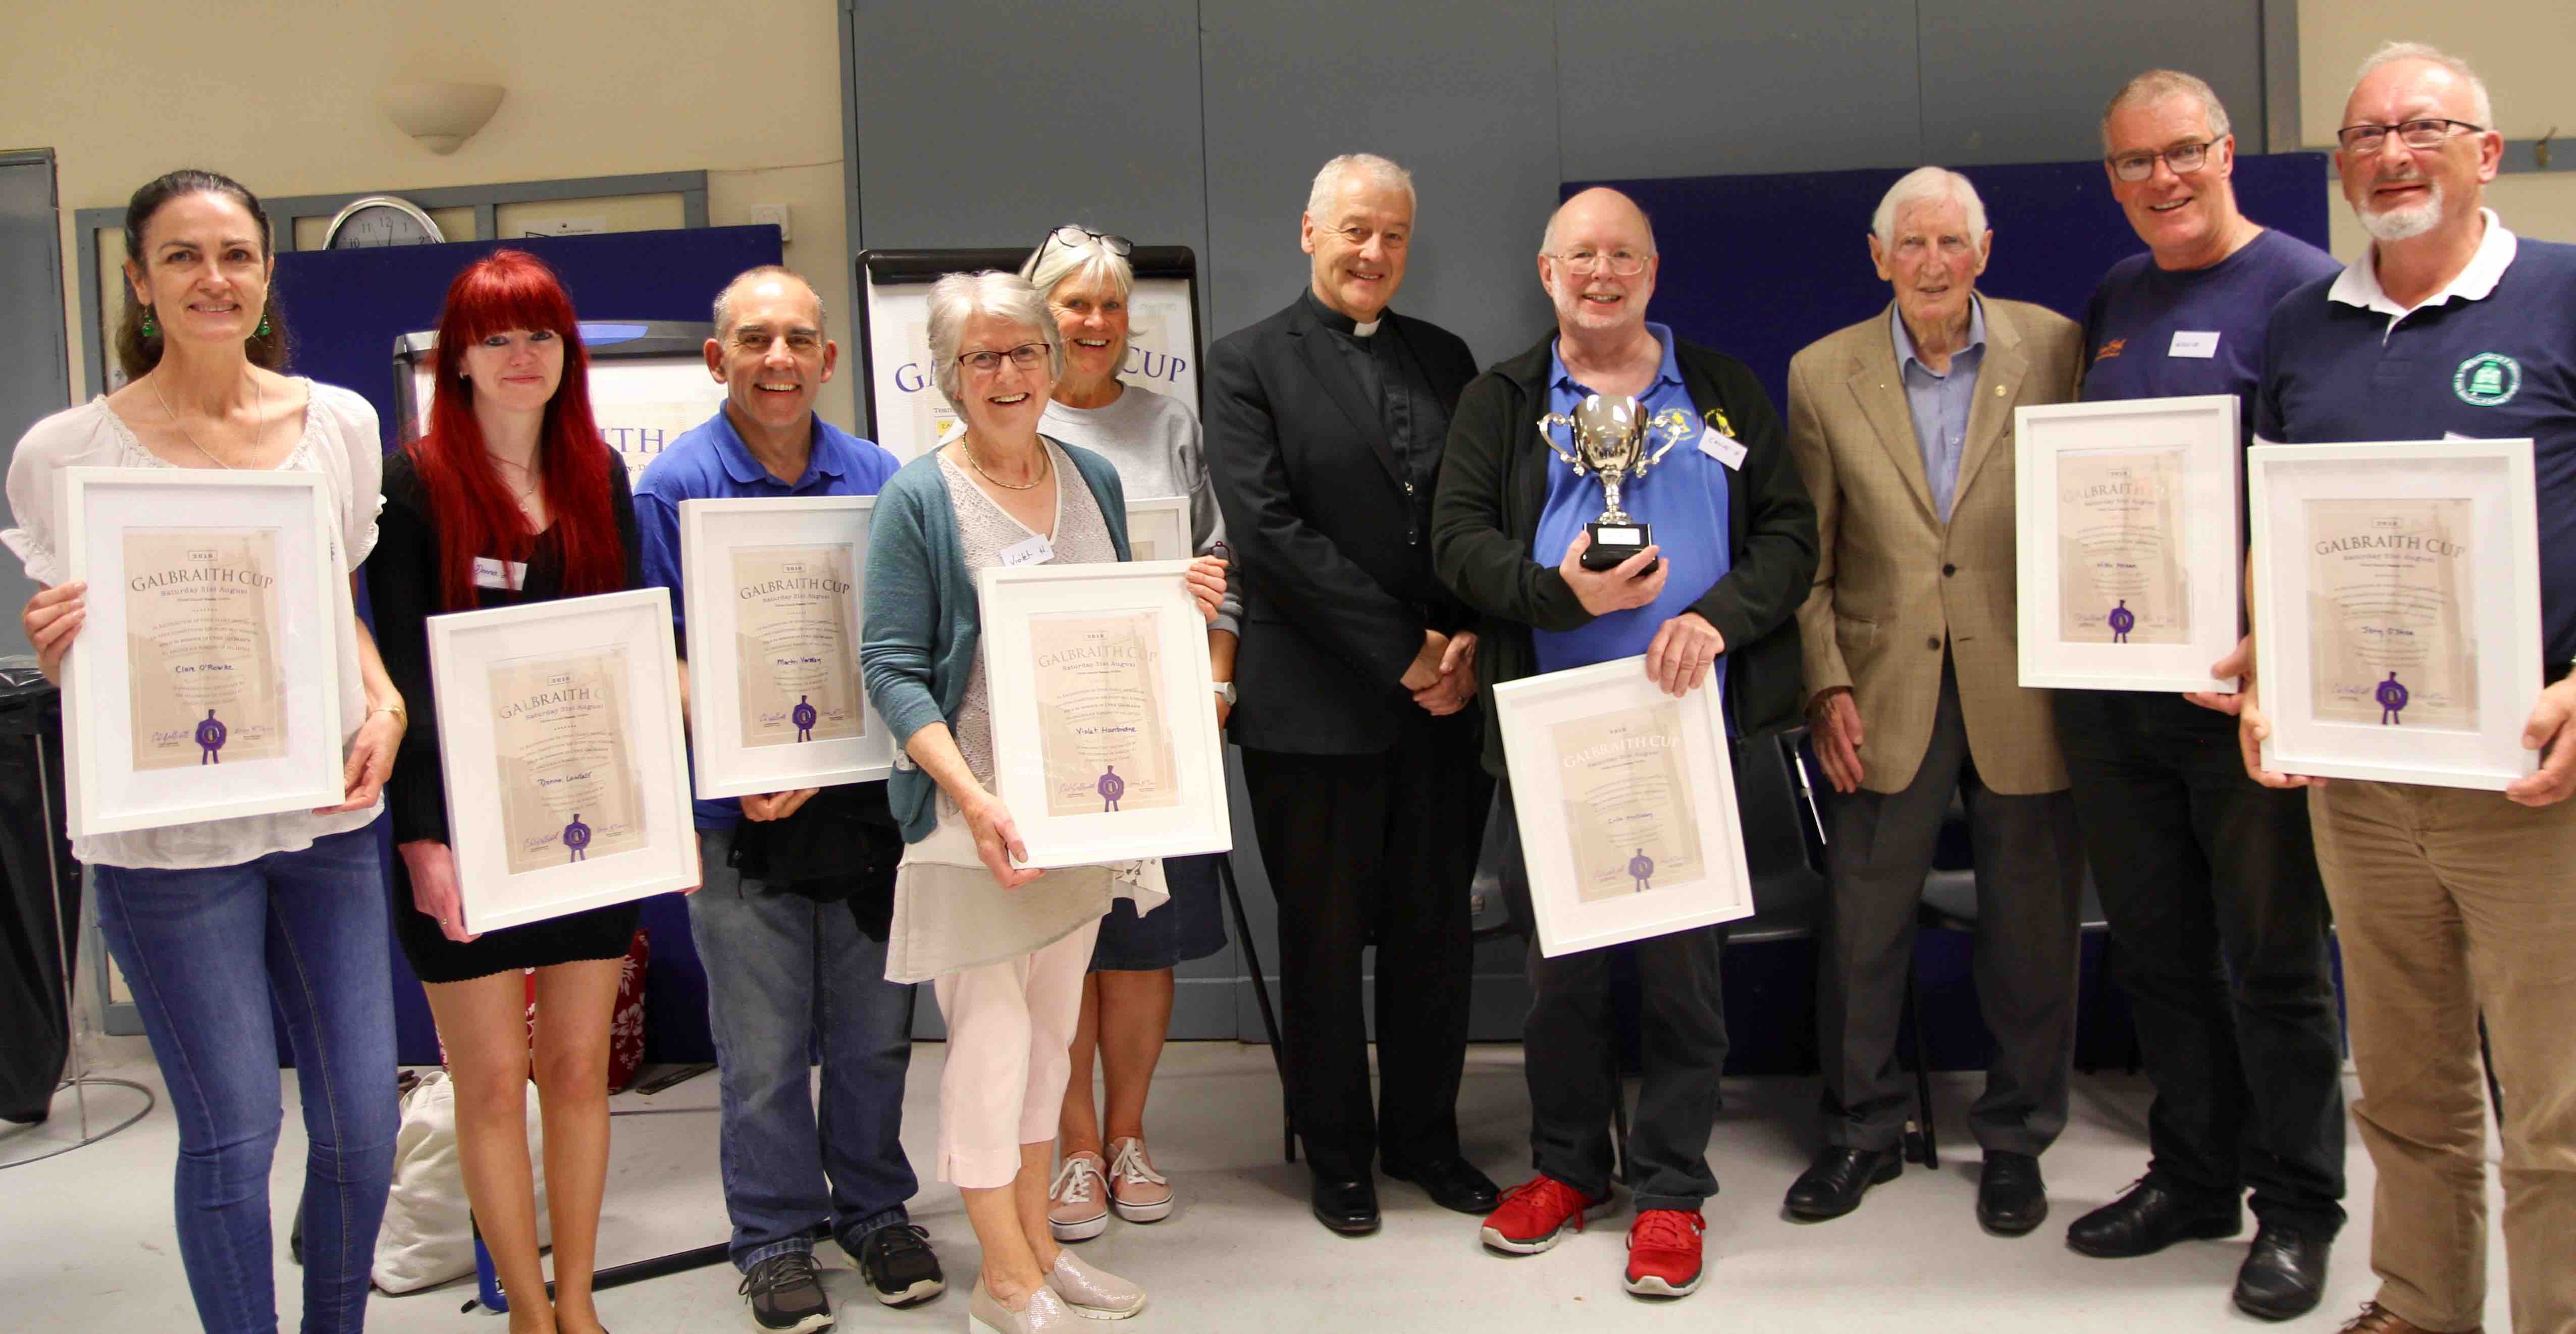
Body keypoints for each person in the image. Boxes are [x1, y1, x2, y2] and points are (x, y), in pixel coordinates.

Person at [6, 168, 403, 1334]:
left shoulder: (339, 425)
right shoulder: (67, 452)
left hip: (328, 822)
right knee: (231, 1130)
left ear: (267, 272)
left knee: (360, 1130)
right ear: (138, 280)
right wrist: (52, 644)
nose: (211, 278)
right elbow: (85, 648)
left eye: (234, 254)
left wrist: (383, 707)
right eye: (180, 256)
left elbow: (333, 612)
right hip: (167, 843)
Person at [2241, 42, 2576, 1334]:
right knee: (2401, 1076)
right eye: (2366, 133)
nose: (2391, 151)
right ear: (2338, 166)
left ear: (2483, 152)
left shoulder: (2558, 294)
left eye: (2421, 126)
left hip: (2526, 772)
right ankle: (2422, 1303)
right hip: (2361, 778)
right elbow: (2278, 520)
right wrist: (2269, 672)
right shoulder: (2299, 326)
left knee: (2551, 1097)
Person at [1431, 186, 1817, 1298]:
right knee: (1561, 979)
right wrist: (1555, 590)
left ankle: (1669, 1191)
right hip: (1552, 733)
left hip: (1686, 727)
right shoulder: (1503, 399)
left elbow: (1791, 533)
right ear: (1546, 273)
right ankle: (1566, 1169)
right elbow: (1456, 541)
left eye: (1624, 257)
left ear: (1651, 273)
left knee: (1684, 976)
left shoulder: (1723, 389)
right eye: (1580, 256)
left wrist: (1717, 617)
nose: (1602, 274)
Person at [860, 271, 1226, 1334]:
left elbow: (1098, 631)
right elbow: (891, 667)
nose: (1007, 374)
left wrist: (1177, 600)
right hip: (972, 825)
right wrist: (971, 798)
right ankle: (1000, 1279)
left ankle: (1037, 1253)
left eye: (1023, 352)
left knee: (1050, 1041)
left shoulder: (1091, 481)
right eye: (982, 357)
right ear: (948, 375)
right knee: (988, 1045)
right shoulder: (919, 497)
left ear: (1051, 363)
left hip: (1072, 816)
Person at [2054, 70, 2350, 1321]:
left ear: (2227, 151)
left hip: (2243, 692)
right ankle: (2191, 1173)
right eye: (2133, 164)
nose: (2160, 181)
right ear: (2111, 178)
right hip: (2116, 690)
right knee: (2159, 952)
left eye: (2181, 154)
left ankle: (2295, 1205)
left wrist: (2267, 642)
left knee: (2272, 960)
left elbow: (2324, 484)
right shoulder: (2115, 299)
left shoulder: (2300, 287)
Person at [631, 264, 940, 1331]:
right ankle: (768, 1233)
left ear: (827, 358)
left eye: (797, 340)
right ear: (717, 358)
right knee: (761, 1051)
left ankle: (873, 1206)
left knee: (872, 1035)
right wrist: (736, 755)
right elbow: (658, 654)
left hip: (861, 808)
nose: (777, 359)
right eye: (754, 339)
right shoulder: (671, 488)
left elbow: (898, 639)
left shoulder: (880, 477)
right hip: (741, 821)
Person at [1783, 166, 2088, 1235]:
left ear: (1983, 250)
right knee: (1862, 926)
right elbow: (1805, 559)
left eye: (1949, 242)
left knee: (2032, 927)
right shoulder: (1822, 374)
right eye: (1908, 244)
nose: (1929, 263)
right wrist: (1822, 681)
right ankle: (1860, 1129)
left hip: (2027, 684)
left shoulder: (2055, 347)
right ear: (1877, 257)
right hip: (1879, 689)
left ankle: (2014, 1137)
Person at [1205, 153, 1498, 1236]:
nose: (1372, 252)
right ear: (1308, 231)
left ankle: (1425, 1136)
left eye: (1392, 235)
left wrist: (1463, 643)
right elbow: (1270, 537)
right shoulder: (1243, 364)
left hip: (1440, 706)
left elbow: (1476, 515)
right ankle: (1337, 1154)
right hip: (1314, 709)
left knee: (1435, 933)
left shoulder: (1447, 356)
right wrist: (1405, 650)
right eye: (1353, 230)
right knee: (1322, 942)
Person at [367, 249, 650, 1334]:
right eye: (498, 337)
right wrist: (422, 837)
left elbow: (621, 655)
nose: (522, 355)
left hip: (584, 820)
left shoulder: (599, 480)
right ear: (461, 360)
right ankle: (527, 1313)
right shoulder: (413, 485)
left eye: (540, 334)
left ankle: (577, 1304)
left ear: (566, 354)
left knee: (576, 1068)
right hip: (461, 830)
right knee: (490, 1083)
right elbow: (398, 675)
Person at [1017, 225, 1239, 1243]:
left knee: (1143, 945)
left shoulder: (1170, 424)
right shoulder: (1008, 422)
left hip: (1157, 725)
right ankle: (1069, 1148)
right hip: (1047, 732)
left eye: (1111, 306)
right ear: (1040, 315)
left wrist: (1219, 674)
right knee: (1062, 941)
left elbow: (1215, 560)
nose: (1096, 323)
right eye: (1075, 304)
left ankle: (1128, 1135)